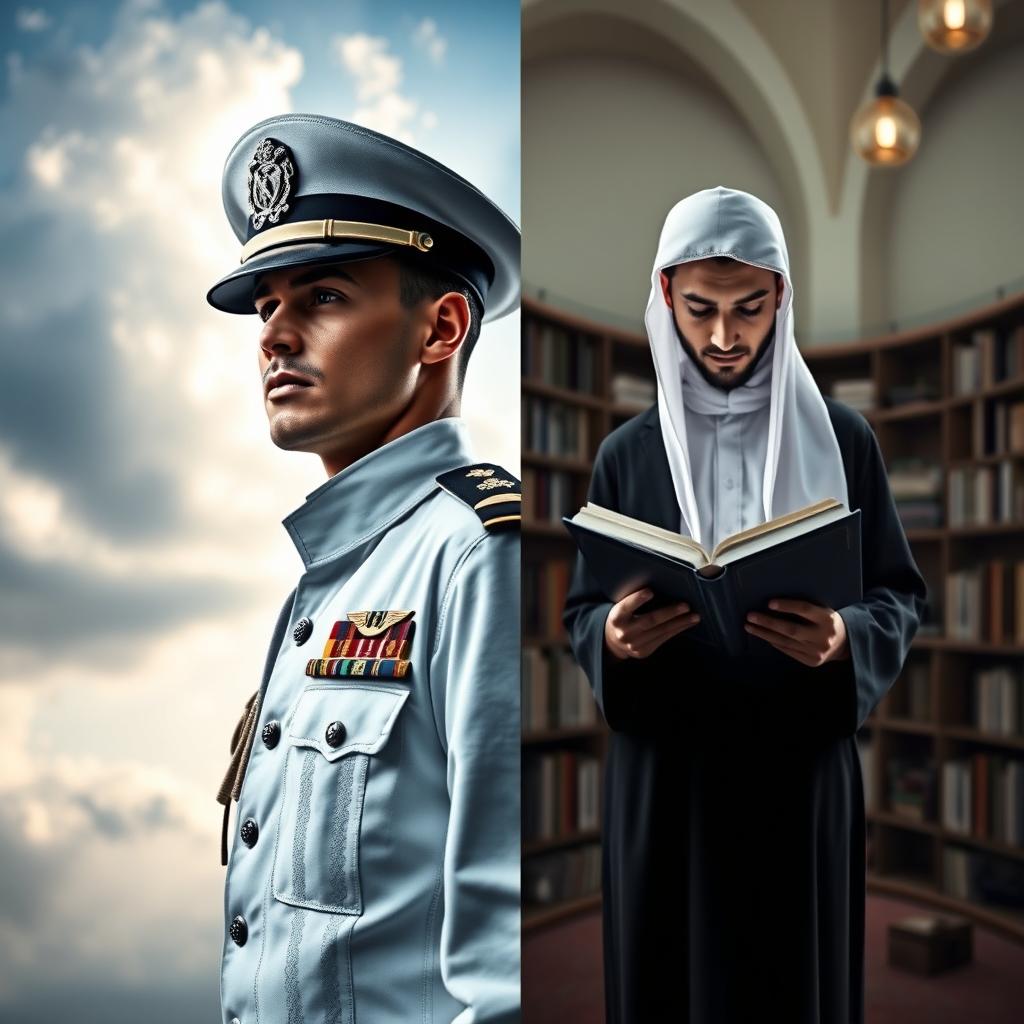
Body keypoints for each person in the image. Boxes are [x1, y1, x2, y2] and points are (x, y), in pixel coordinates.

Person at [562, 186, 928, 1024]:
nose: (724, 337)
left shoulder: (845, 439)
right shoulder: (626, 453)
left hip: (795, 768)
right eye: (701, 310)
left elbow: (900, 595)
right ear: (666, 297)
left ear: (781, 298)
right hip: (669, 772)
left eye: (749, 309)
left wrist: (845, 635)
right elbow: (582, 610)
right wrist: (609, 636)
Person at [209, 113, 521, 1024]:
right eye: (267, 308)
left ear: (441, 328)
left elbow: (507, 973)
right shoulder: (335, 576)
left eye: (324, 296)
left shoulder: (477, 554)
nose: (275, 335)